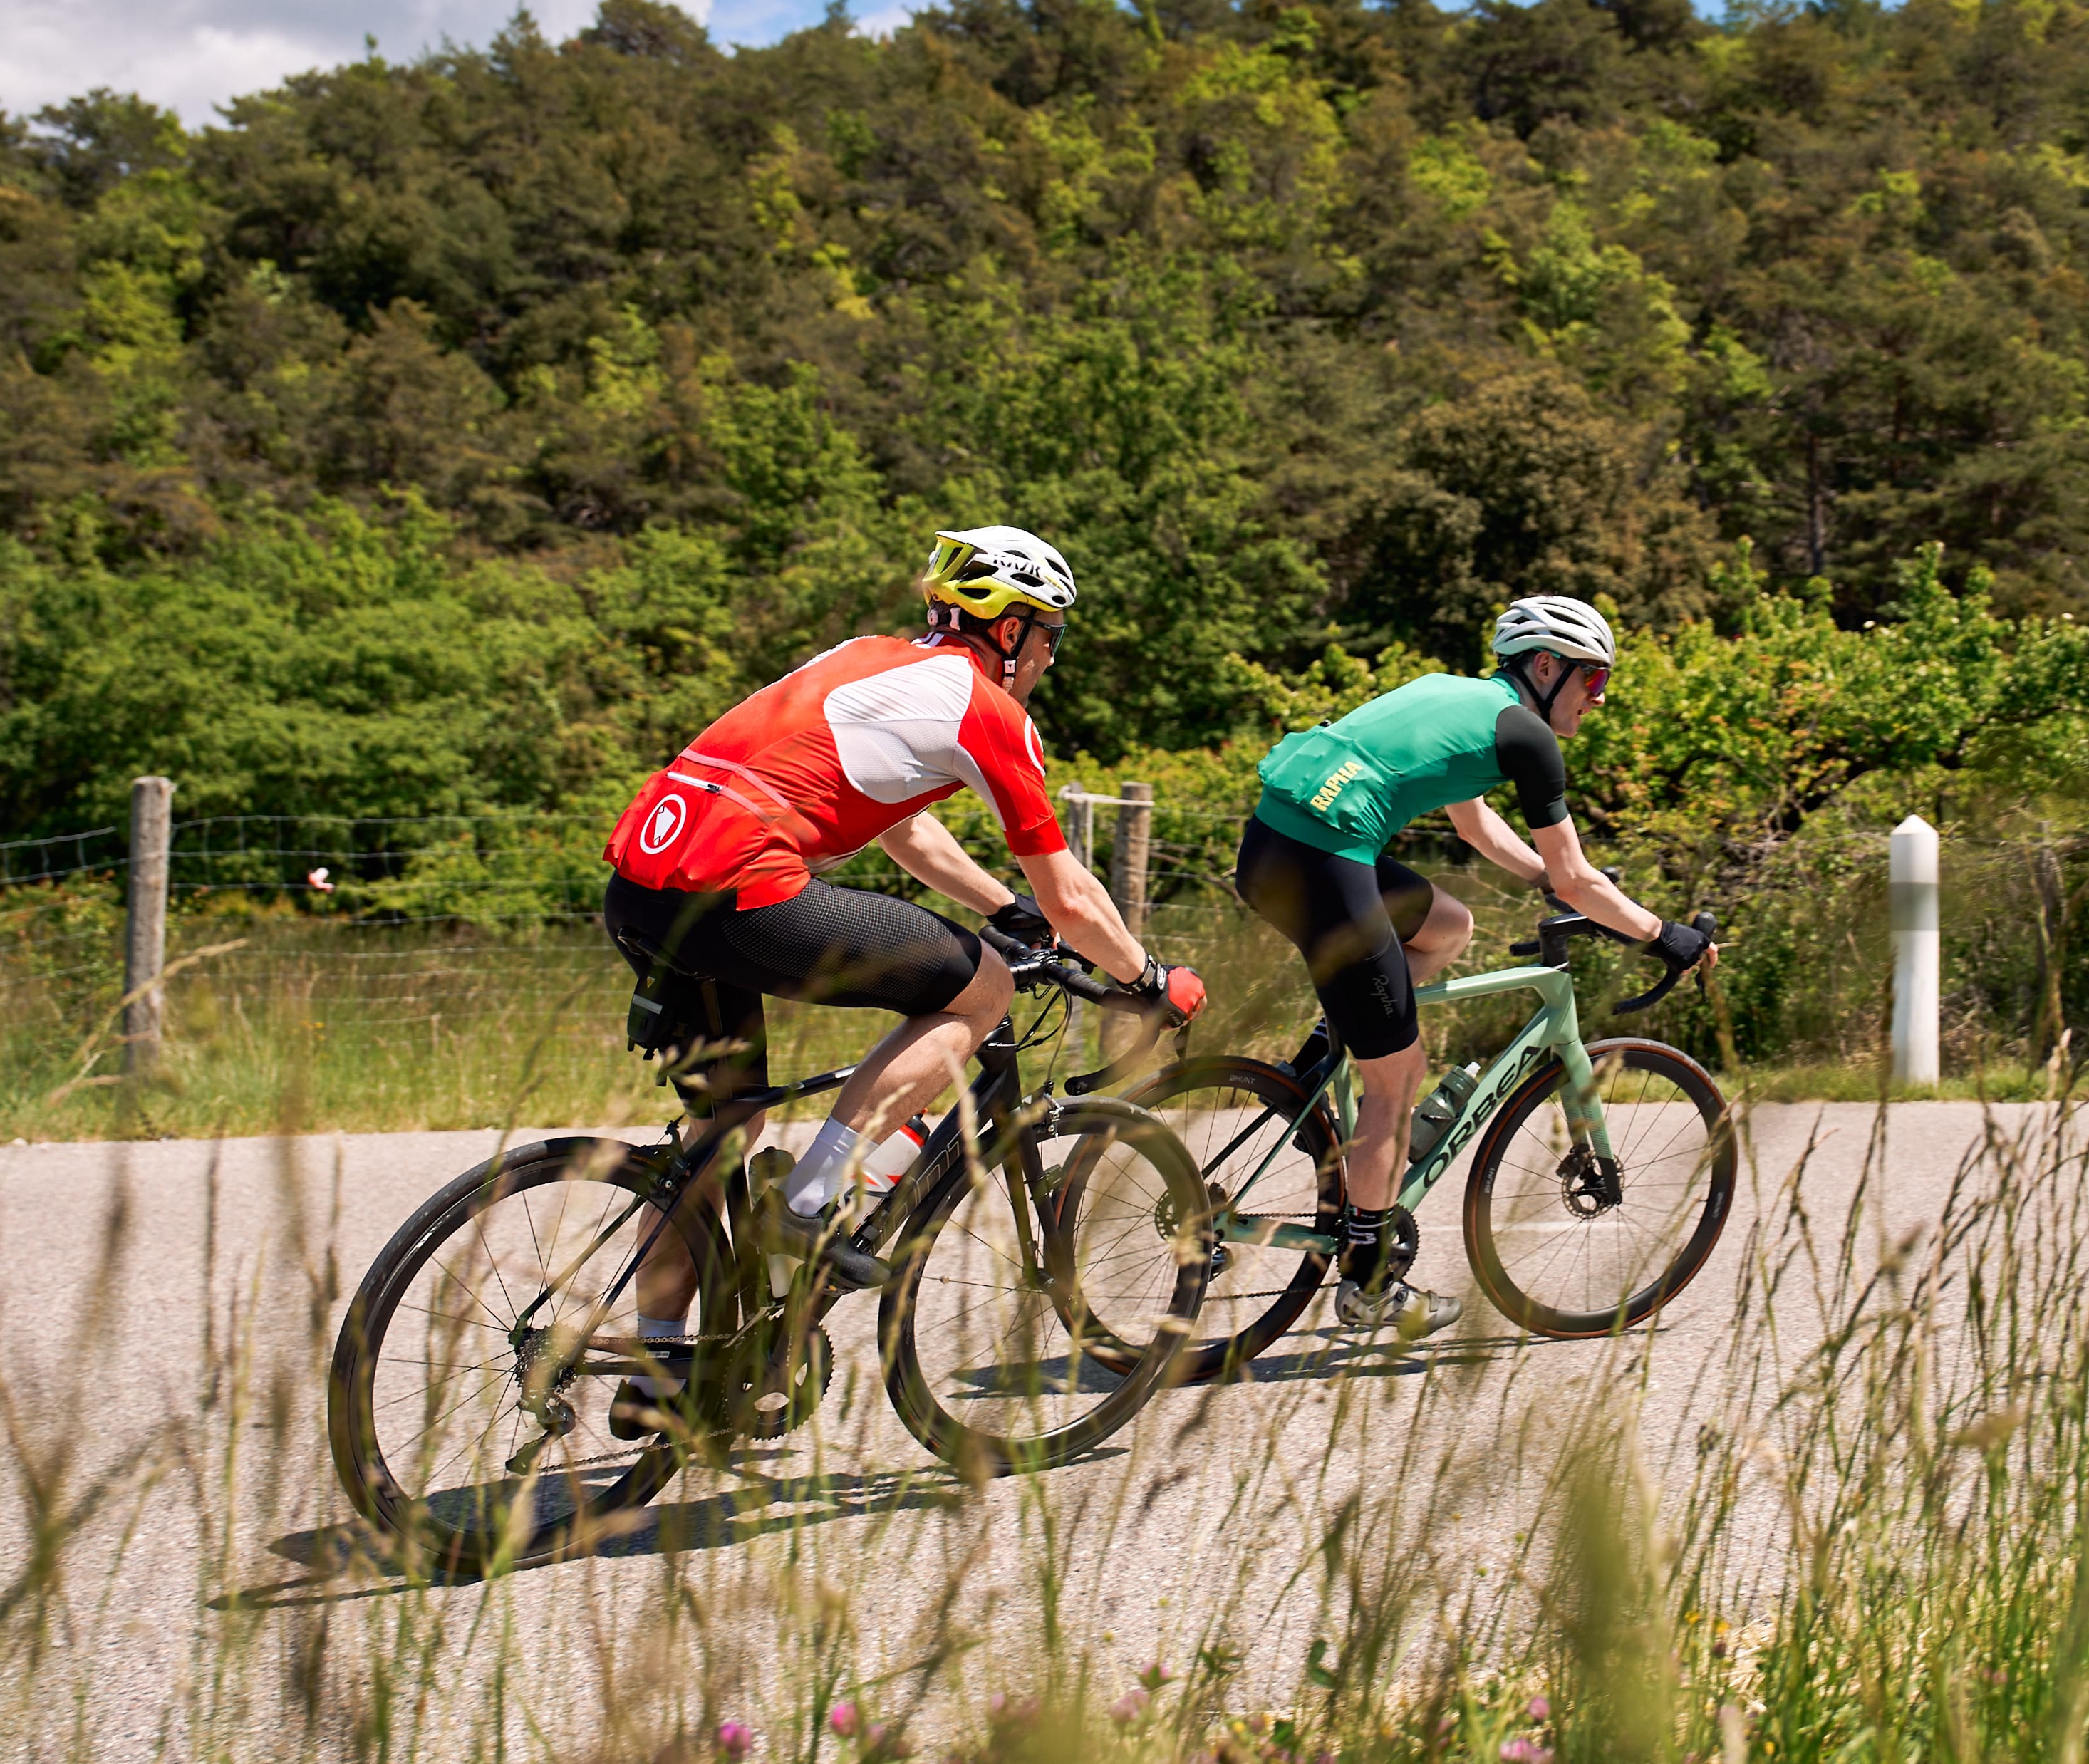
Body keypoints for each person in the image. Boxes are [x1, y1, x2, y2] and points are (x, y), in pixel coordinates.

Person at [600, 524, 1204, 1433]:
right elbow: (1073, 895)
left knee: (720, 1130)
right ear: (1008, 629)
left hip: (642, 888)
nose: (1048, 653)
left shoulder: (867, 659)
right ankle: (809, 1203)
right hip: (743, 891)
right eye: (1049, 632)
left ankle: (657, 1366)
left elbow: (902, 829)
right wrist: (1148, 977)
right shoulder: (984, 709)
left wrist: (1002, 905)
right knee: (982, 990)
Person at [1234, 595, 1715, 1335]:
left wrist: (1545, 883)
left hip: (1273, 846)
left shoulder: (1458, 698)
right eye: (1591, 680)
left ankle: (1313, 1063)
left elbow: (1476, 825)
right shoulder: (1526, 737)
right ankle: (1368, 1286)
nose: (1598, 698)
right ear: (1546, 666)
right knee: (1395, 1082)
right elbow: (1578, 879)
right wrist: (1662, 935)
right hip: (1326, 860)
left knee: (1448, 925)